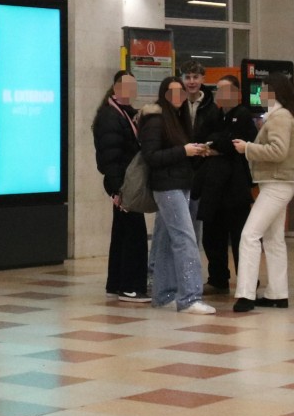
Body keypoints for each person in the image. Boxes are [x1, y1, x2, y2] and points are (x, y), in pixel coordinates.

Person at [137, 75, 216, 315]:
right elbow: (151, 156)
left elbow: (178, 154)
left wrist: (197, 152)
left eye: (180, 92)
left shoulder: (179, 119)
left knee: (164, 241)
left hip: (181, 184)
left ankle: (164, 295)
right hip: (167, 187)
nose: (177, 96)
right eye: (172, 92)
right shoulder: (155, 120)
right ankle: (190, 298)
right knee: (185, 239)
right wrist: (184, 151)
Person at [231, 75, 294, 312]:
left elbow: (278, 151)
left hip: (276, 185)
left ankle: (246, 295)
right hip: (279, 183)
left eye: (263, 91)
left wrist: (247, 148)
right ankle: (277, 294)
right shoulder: (281, 115)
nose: (259, 95)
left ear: (274, 92)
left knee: (249, 236)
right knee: (273, 240)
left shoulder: (280, 117)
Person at [193, 77, 259, 295]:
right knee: (212, 235)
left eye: (225, 90)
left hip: (235, 186)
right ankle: (218, 278)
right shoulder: (213, 114)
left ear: (236, 93)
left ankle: (247, 281)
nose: (220, 94)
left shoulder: (243, 115)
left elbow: (236, 143)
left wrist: (218, 145)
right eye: (218, 90)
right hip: (213, 186)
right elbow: (202, 138)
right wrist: (217, 144)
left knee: (240, 235)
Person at [92, 70, 150, 303]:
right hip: (125, 185)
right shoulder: (110, 116)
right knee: (134, 235)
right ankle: (130, 286)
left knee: (122, 233)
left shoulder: (124, 112)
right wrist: (118, 190)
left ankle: (116, 283)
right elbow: (110, 156)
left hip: (126, 183)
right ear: (116, 87)